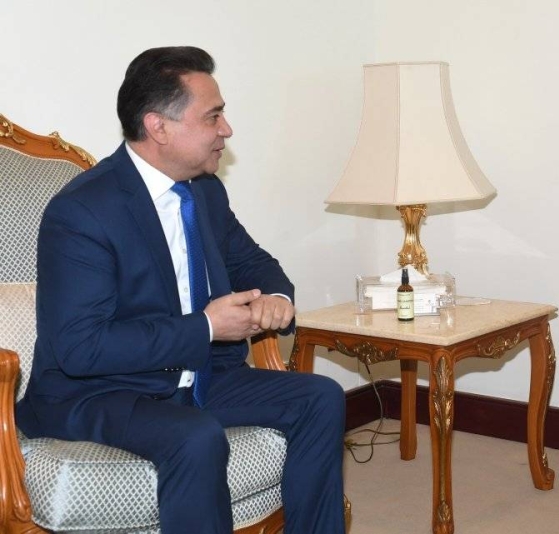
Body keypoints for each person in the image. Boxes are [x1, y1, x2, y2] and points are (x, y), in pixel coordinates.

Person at [15, 46, 346, 534]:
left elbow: (251, 261)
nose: (226, 129)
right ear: (159, 127)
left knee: (321, 397)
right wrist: (207, 327)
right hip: (103, 391)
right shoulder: (83, 211)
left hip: (200, 373)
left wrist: (276, 298)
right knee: (196, 436)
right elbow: (80, 348)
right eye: (213, 116)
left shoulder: (204, 189)